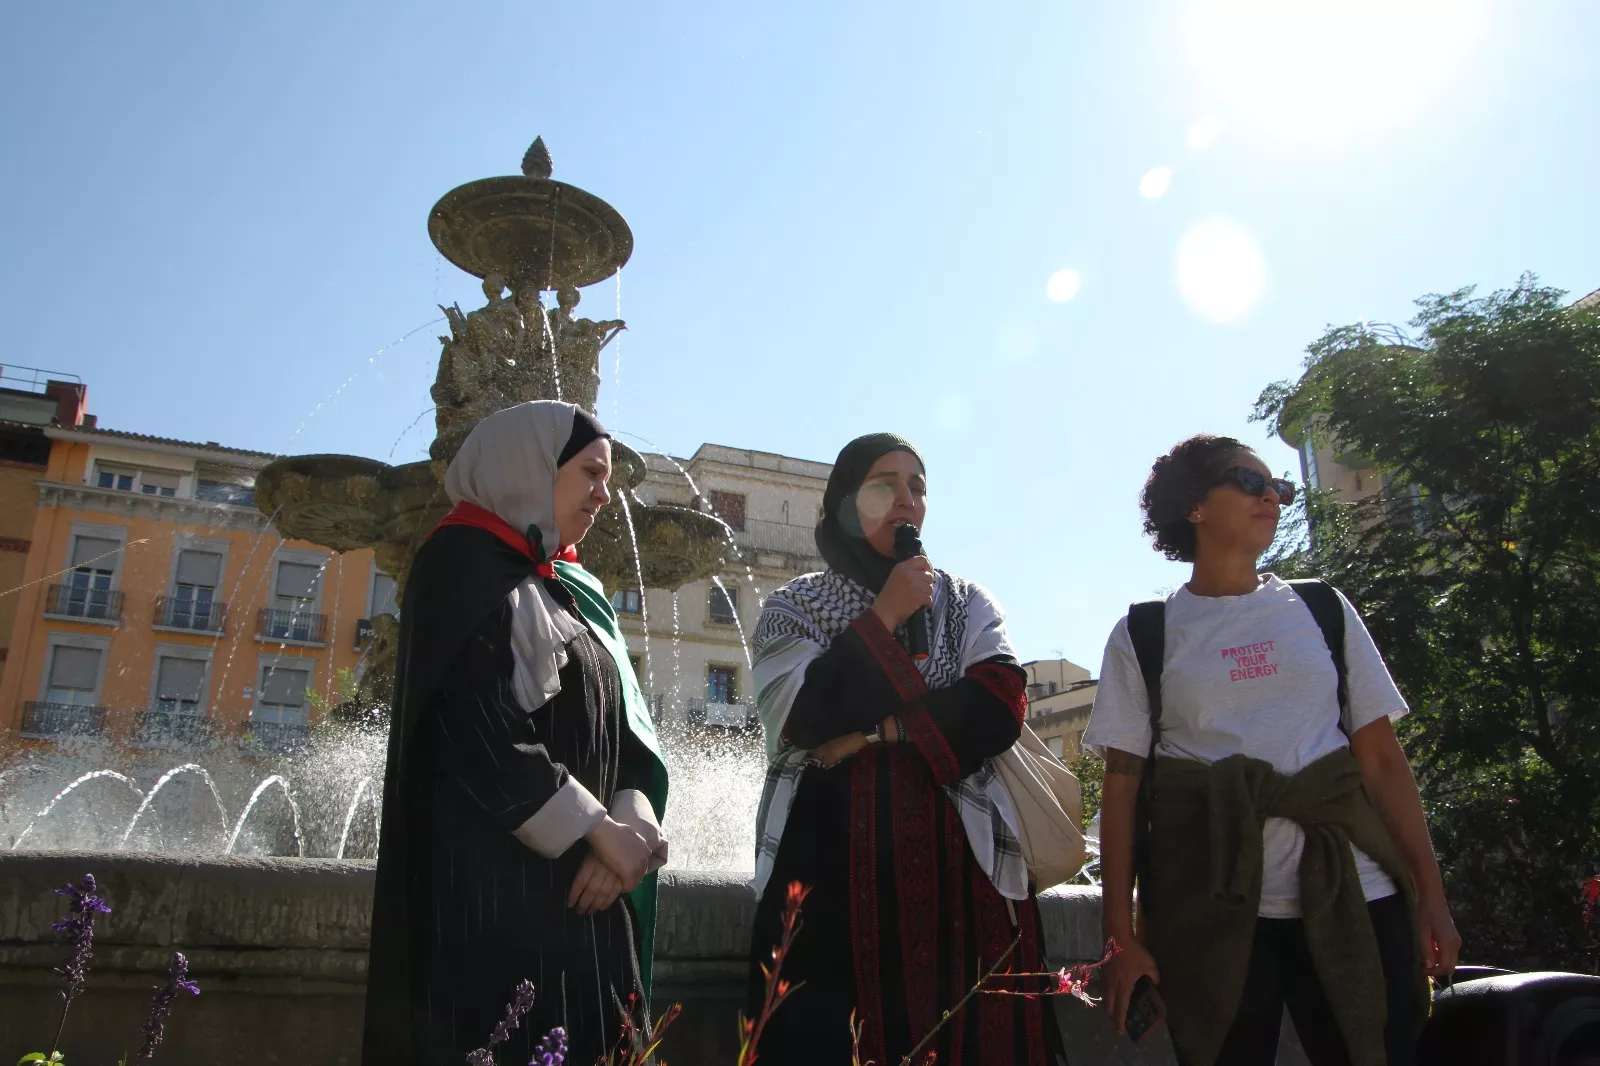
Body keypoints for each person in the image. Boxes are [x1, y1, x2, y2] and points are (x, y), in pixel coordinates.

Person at [1083, 434, 1460, 1066]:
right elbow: (1120, 791)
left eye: (1279, 487)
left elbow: (1383, 761)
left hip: (1357, 894)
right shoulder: (1144, 634)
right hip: (1211, 911)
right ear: (1194, 505)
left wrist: (1432, 898)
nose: (1273, 496)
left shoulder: (1321, 609)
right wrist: (1120, 938)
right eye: (1249, 481)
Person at [361, 400, 670, 1066]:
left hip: (590, 906)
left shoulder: (570, 587)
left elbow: (622, 730)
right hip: (493, 911)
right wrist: (597, 832)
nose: (604, 494)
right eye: (590, 472)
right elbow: (477, 731)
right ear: (531, 465)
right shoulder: (456, 567)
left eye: (607, 476)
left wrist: (629, 818)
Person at [745, 432, 1067, 1066]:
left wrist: (875, 734)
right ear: (843, 503)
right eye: (882, 485)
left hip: (964, 872)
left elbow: (999, 704)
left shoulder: (967, 601)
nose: (905, 501)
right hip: (831, 871)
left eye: (916, 487)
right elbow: (804, 716)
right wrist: (884, 615)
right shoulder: (792, 606)